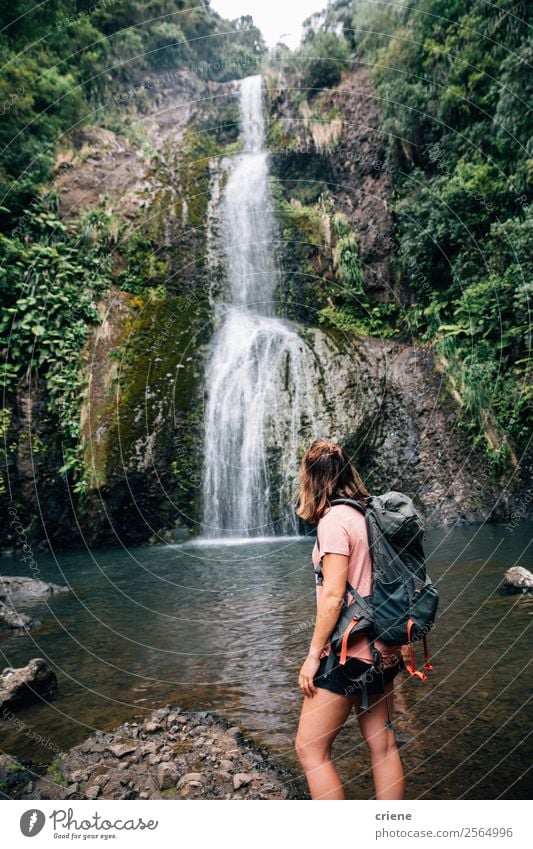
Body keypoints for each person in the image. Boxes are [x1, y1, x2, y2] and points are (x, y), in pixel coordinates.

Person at [294, 437, 405, 800]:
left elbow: (333, 597)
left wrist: (313, 657)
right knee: (383, 745)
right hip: (383, 648)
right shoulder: (367, 515)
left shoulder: (332, 520)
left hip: (349, 654)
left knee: (310, 750)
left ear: (310, 479)